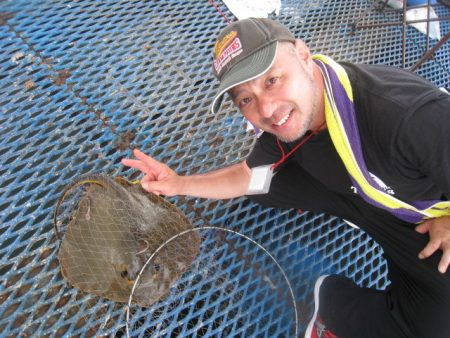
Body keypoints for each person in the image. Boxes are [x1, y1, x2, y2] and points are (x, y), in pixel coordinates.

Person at [122, 18, 450, 338]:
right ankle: (344, 258)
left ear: (304, 55)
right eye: (246, 99)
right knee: (259, 187)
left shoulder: (407, 116)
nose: (267, 109)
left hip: (421, 216)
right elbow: (247, 176)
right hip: (353, 192)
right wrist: (179, 184)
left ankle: (335, 300)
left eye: (272, 80)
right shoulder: (287, 121)